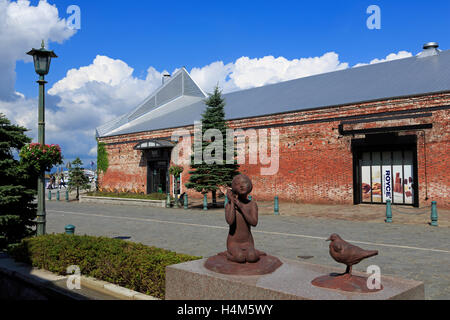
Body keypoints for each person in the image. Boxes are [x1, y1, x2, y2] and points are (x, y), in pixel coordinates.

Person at [219, 174, 266, 263]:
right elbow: (230, 221)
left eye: (244, 183)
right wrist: (232, 202)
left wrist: (240, 206)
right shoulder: (229, 205)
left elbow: (254, 222)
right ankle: (228, 254)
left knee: (252, 257)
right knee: (240, 258)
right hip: (234, 242)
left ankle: (255, 252)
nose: (241, 186)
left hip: (247, 241)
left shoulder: (252, 204)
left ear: (249, 185)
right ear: (233, 187)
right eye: (237, 184)